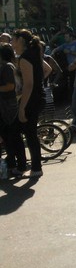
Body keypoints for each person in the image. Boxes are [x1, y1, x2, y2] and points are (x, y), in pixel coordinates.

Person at [11, 29, 47, 178]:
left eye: (13, 40)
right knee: (27, 133)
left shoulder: (25, 58)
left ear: (20, 40)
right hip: (38, 98)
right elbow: (48, 69)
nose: (11, 43)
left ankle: (30, 167)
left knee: (18, 132)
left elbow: (28, 84)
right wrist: (39, 82)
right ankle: (30, 167)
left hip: (31, 100)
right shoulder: (34, 53)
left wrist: (22, 108)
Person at [0, 43, 20, 177]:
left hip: (7, 108)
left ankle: (12, 166)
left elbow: (10, 86)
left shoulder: (7, 67)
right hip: (5, 106)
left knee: (9, 138)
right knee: (7, 138)